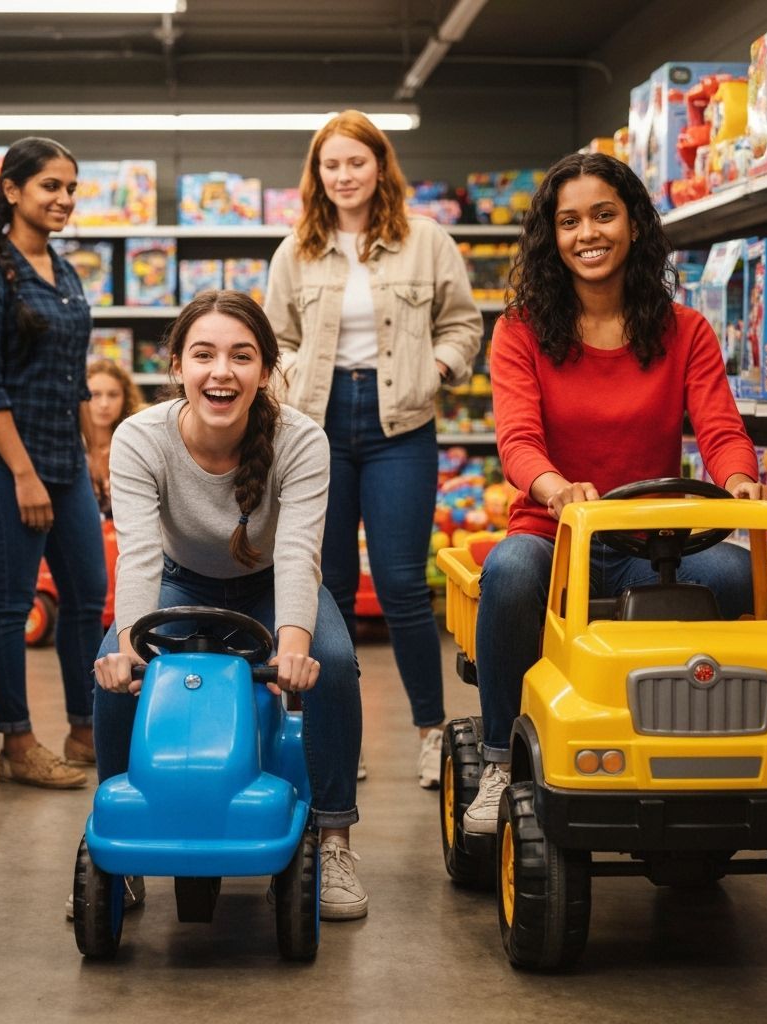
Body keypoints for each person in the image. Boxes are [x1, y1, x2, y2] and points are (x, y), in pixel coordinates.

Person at [464, 151, 767, 834]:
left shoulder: (684, 330)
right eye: (569, 221)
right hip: (553, 537)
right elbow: (518, 441)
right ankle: (498, 761)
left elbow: (720, 430)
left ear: (633, 223)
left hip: (651, 543)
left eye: (604, 215)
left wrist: (739, 480)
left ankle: (709, 741)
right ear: (552, 236)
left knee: (735, 573)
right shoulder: (520, 330)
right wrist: (556, 489)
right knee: (509, 573)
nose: (588, 234)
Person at [92, 289, 368, 920]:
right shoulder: (140, 438)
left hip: (271, 585)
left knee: (333, 662)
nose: (222, 371)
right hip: (178, 584)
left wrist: (293, 652)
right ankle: (121, 840)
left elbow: (297, 553)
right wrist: (130, 650)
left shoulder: (302, 440)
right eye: (204, 355)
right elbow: (138, 554)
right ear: (177, 366)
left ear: (265, 370)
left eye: (242, 356)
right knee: (110, 666)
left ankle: (333, 838)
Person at [264, 109, 484, 788]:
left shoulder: (426, 240)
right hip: (316, 426)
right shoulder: (296, 250)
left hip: (402, 425)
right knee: (323, 588)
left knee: (401, 584)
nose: (344, 175)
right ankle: (333, 734)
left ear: (380, 166)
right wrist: (297, 375)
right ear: (316, 173)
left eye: (356, 162)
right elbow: (274, 338)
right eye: (331, 164)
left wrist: (435, 371)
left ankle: (430, 731)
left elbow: (463, 324)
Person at [0, 136, 106, 790]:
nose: (63, 199)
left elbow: (74, 376)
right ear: (12, 191)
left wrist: (95, 450)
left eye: (70, 188)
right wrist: (23, 474)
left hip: (62, 459)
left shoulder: (63, 271)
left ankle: (87, 729)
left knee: (88, 595)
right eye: (50, 186)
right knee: (12, 604)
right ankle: (16, 743)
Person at [85, 358, 146, 517]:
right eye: (95, 394)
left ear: (125, 398)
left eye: (113, 395)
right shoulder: (70, 449)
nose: (104, 404)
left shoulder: (137, 446)